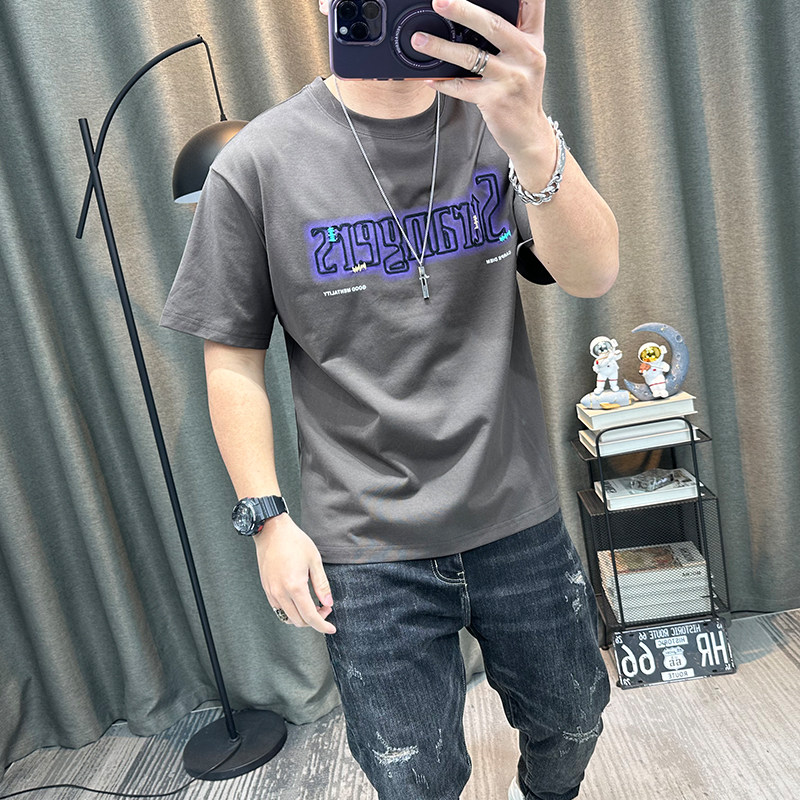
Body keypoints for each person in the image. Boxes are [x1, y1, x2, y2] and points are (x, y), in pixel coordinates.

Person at [161, 0, 619, 797]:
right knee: (412, 776)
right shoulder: (257, 163)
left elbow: (592, 275)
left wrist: (530, 133)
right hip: (368, 544)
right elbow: (231, 359)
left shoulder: (495, 122)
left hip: (516, 511)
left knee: (575, 719)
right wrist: (267, 521)